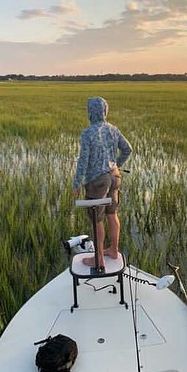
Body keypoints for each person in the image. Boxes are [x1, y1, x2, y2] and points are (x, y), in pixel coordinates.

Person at [72, 97, 132, 269]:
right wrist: (116, 165)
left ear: (90, 112)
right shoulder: (113, 129)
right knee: (112, 213)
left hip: (98, 181)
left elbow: (83, 161)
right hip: (115, 176)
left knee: (96, 219)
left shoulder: (88, 133)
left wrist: (76, 184)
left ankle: (98, 259)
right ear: (105, 111)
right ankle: (113, 250)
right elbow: (128, 149)